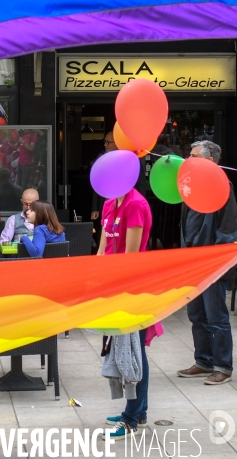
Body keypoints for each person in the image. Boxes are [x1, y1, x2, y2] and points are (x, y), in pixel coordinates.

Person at [177, 140, 235, 385]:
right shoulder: (190, 185)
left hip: (210, 262)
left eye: (194, 156)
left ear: (210, 161)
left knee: (216, 316)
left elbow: (228, 227)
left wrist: (216, 260)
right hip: (191, 260)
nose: (189, 160)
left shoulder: (222, 185)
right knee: (196, 314)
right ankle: (203, 360)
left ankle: (223, 366)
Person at [97, 186, 152, 440]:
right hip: (111, 284)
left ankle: (131, 418)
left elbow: (130, 256)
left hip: (131, 287)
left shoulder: (135, 205)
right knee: (127, 348)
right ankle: (138, 411)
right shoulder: (110, 204)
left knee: (133, 350)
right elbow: (103, 248)